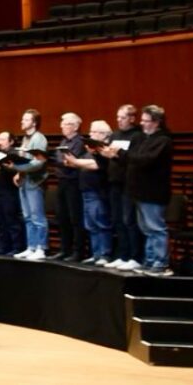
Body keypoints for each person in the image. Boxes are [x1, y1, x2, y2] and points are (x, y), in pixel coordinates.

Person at [103, 104, 173, 276]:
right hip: (140, 191)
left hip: (153, 192)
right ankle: (149, 260)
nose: (142, 124)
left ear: (156, 122)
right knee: (146, 228)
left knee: (156, 228)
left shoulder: (163, 140)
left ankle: (161, 262)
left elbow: (145, 160)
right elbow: (132, 160)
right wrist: (115, 156)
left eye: (146, 121)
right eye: (142, 120)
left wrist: (120, 154)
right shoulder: (146, 138)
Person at [63, 120, 114, 265]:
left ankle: (105, 254)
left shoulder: (104, 149)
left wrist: (76, 162)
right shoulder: (90, 149)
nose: (90, 134)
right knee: (91, 224)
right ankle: (96, 253)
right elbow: (84, 162)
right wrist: (73, 162)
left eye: (93, 132)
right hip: (85, 190)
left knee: (101, 223)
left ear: (102, 134)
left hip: (98, 191)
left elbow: (96, 165)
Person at [104, 105, 144, 271]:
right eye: (118, 117)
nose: (119, 120)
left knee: (129, 220)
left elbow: (135, 160)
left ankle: (136, 256)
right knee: (117, 220)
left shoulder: (137, 136)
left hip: (129, 183)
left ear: (132, 119)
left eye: (123, 117)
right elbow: (111, 155)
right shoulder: (115, 134)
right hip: (114, 182)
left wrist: (116, 154)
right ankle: (123, 254)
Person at [9, 109, 49, 260]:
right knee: (27, 216)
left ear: (34, 122)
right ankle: (31, 246)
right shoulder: (25, 138)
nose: (22, 122)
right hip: (25, 181)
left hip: (35, 181)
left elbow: (38, 163)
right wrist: (19, 172)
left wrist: (17, 167)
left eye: (26, 120)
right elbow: (24, 158)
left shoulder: (39, 139)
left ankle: (41, 247)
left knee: (37, 216)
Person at [54, 113, 88, 261]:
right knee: (62, 217)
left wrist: (66, 162)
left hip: (73, 183)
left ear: (75, 126)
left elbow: (73, 162)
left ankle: (78, 251)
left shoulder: (79, 142)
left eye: (66, 124)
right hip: (62, 181)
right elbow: (60, 159)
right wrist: (65, 161)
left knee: (75, 218)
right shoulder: (63, 141)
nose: (62, 126)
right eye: (62, 123)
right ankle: (64, 249)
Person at [0, 132, 24, 256]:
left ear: (11, 141)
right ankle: (4, 246)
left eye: (3, 139)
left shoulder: (13, 154)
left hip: (9, 192)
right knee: (0, 221)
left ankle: (17, 246)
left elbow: (15, 170)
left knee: (11, 220)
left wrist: (0, 166)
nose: (0, 142)